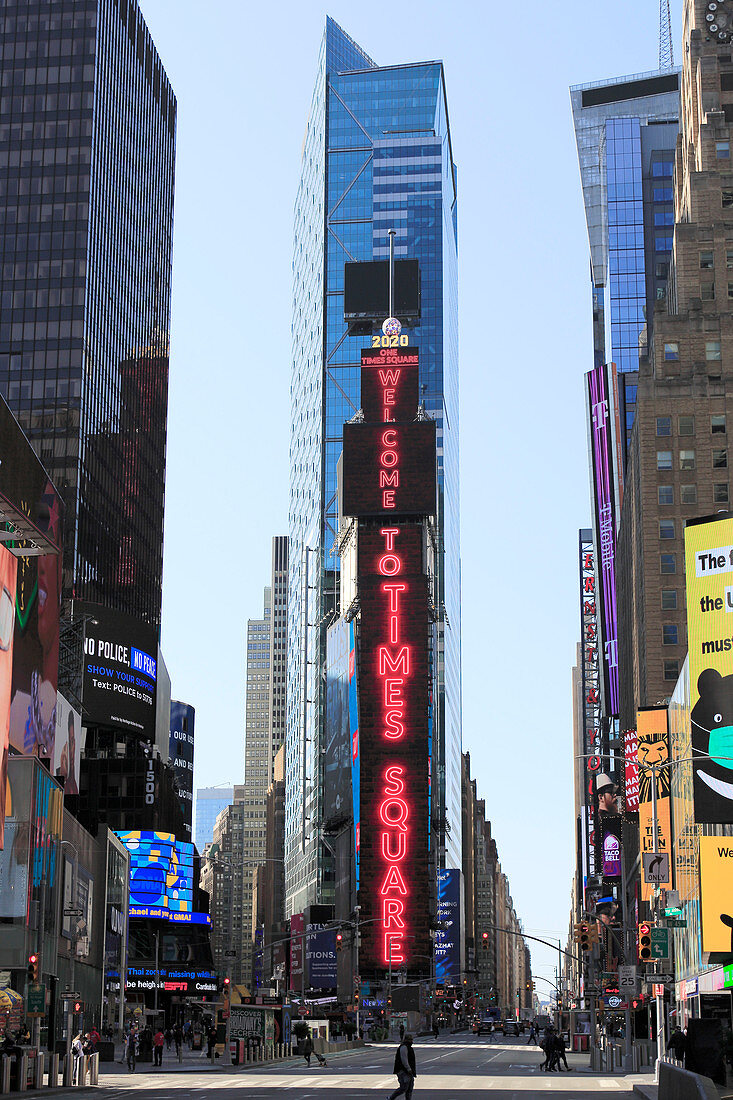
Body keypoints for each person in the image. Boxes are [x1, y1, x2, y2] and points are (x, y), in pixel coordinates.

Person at [388, 1033, 417, 1100]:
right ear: (406, 1040)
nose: (412, 1041)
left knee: (410, 1088)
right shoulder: (404, 1047)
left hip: (408, 1071)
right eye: (410, 1040)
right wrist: (408, 1068)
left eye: (412, 1039)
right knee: (404, 1087)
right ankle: (391, 1098)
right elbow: (404, 1059)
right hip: (403, 1070)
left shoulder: (409, 1047)